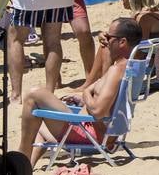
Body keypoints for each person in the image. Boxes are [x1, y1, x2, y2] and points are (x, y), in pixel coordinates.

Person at [18, 17, 142, 163]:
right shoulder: (131, 67)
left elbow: (98, 111)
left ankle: (20, 159)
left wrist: (85, 94)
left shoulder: (117, 71)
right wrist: (86, 96)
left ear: (122, 42)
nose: (105, 40)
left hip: (89, 135)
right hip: (99, 132)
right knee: (37, 122)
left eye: (109, 37)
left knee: (34, 95)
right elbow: (101, 94)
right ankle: (27, 166)